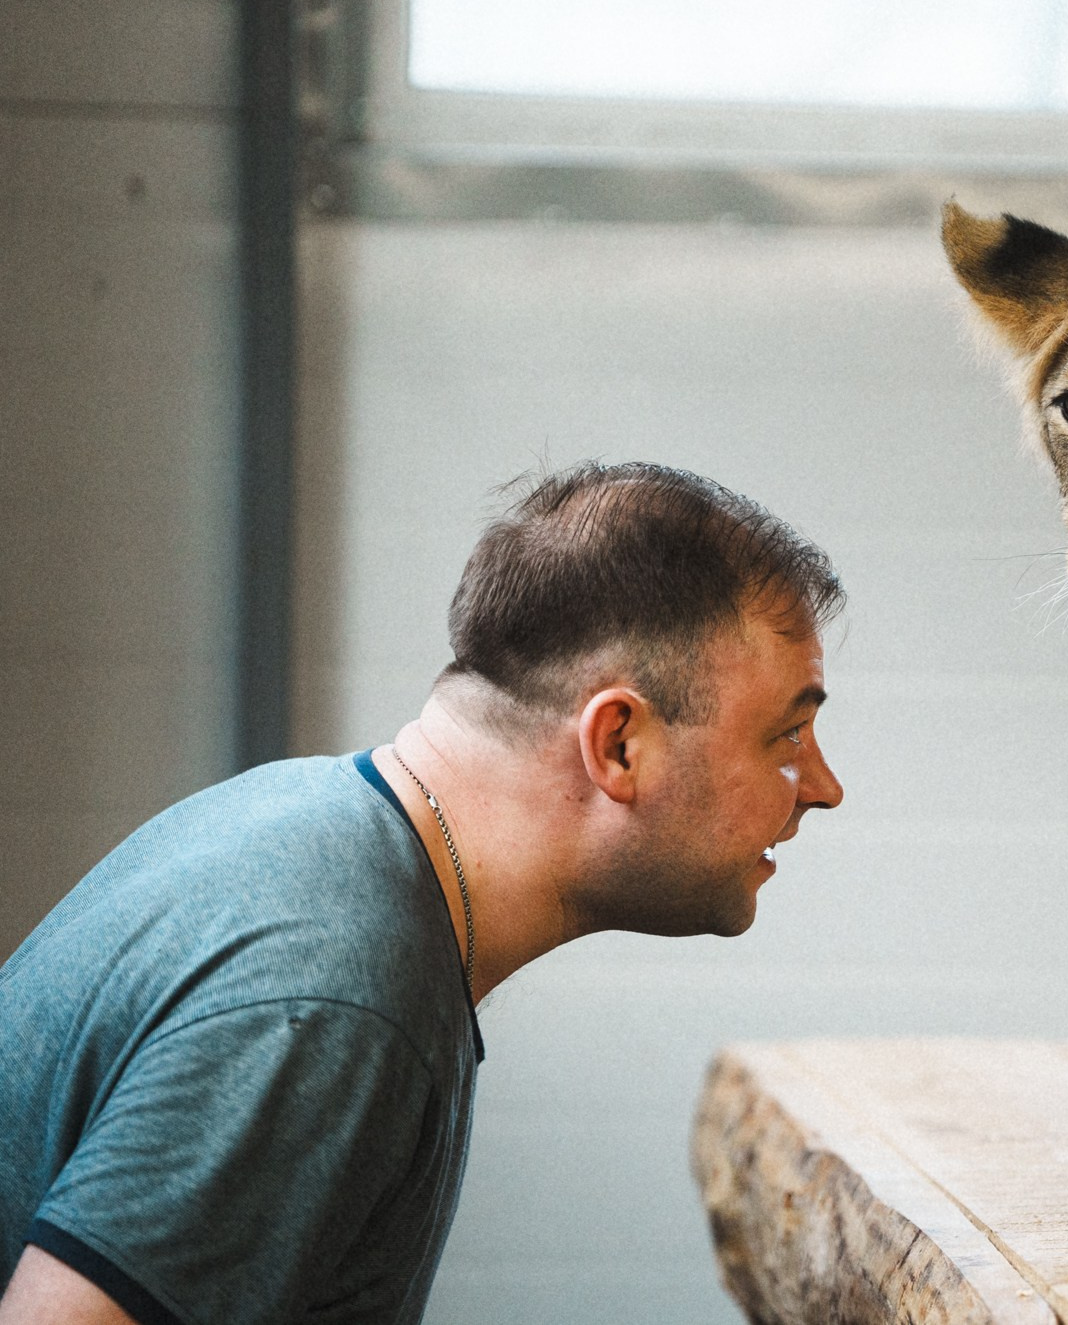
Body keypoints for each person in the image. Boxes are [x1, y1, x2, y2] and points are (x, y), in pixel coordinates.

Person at [0, 463, 845, 1324]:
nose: (823, 786)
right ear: (619, 743)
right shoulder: (337, 989)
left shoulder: (319, 830)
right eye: (787, 733)